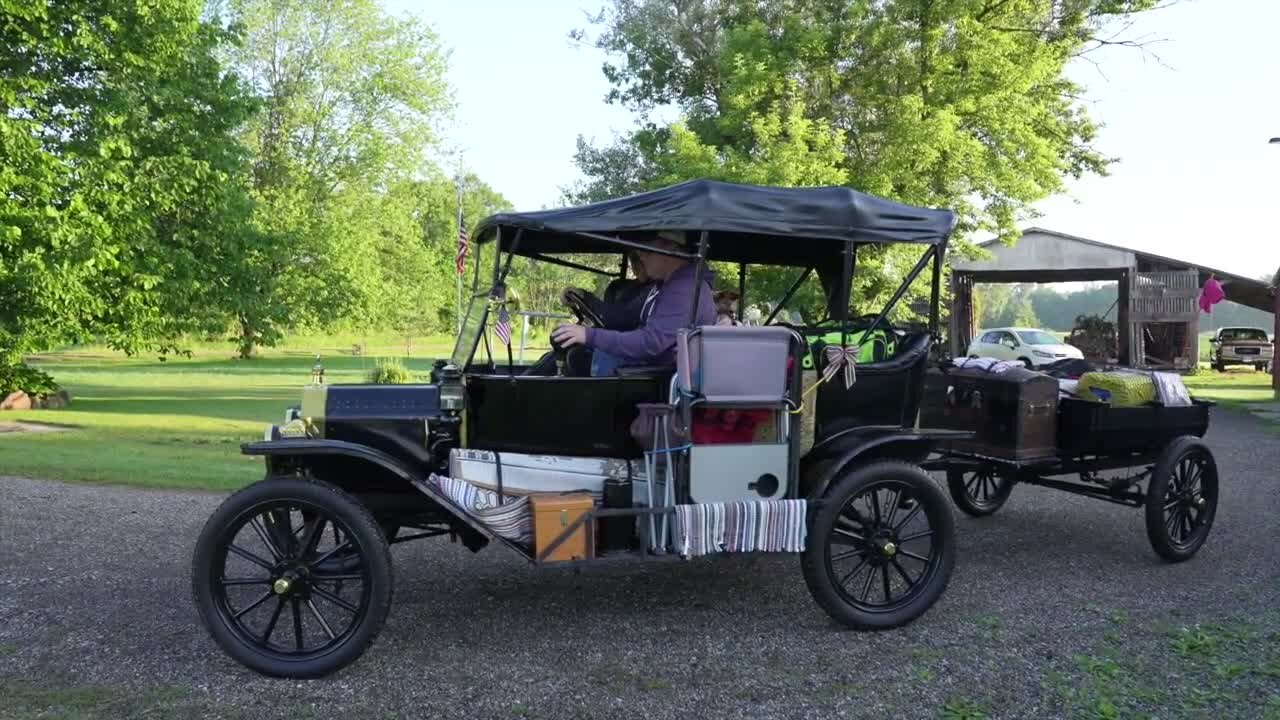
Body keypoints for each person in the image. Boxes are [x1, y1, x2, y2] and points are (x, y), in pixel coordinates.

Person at [552, 231, 716, 374]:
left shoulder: (684, 288)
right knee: (574, 352)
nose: (640, 257)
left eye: (646, 250)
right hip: (650, 371)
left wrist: (588, 335)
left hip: (658, 380)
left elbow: (651, 343)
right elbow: (625, 317)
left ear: (669, 248)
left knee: (581, 357)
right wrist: (586, 301)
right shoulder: (665, 286)